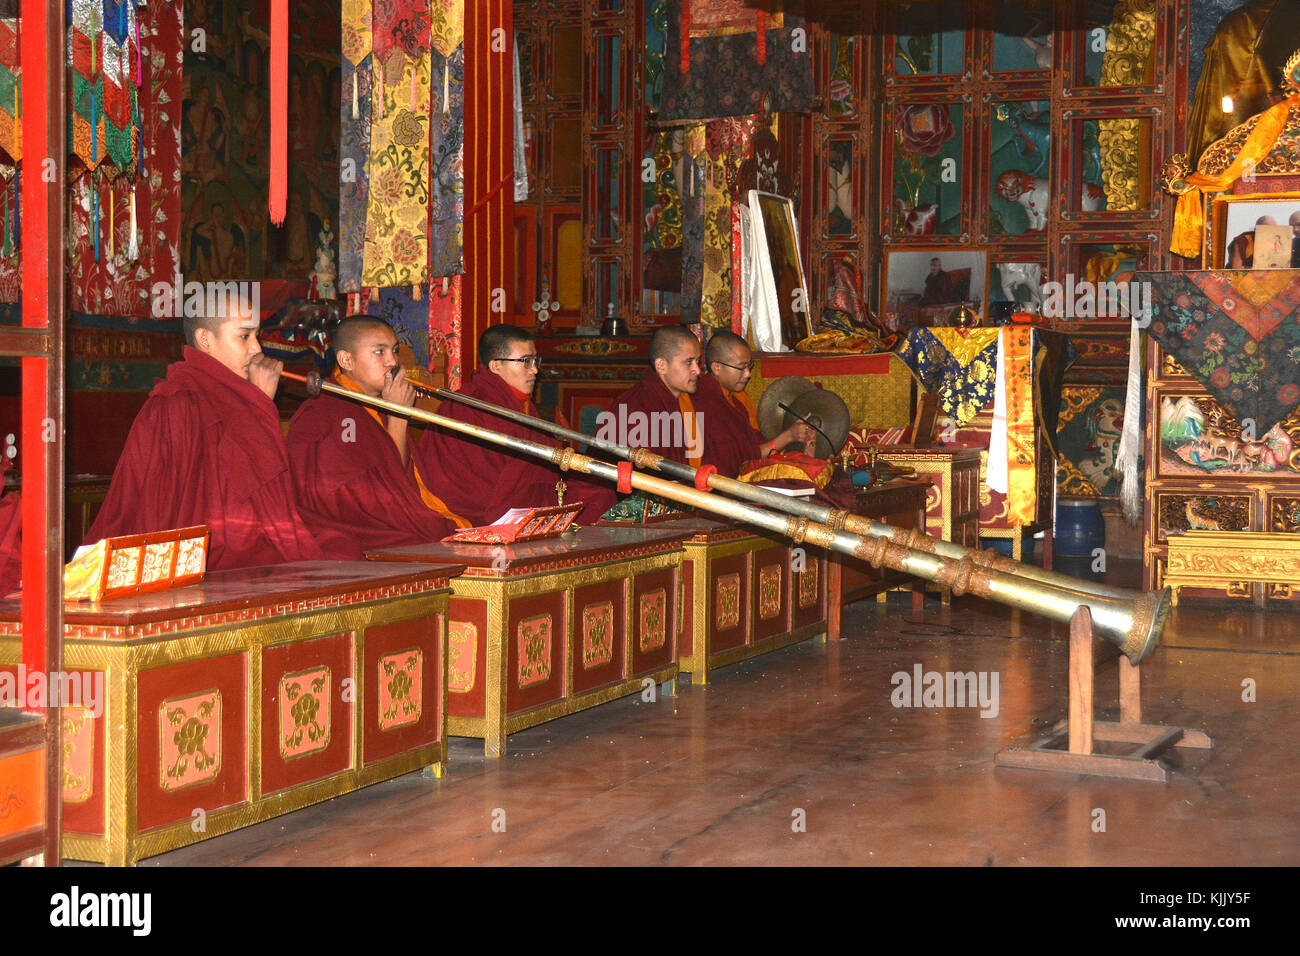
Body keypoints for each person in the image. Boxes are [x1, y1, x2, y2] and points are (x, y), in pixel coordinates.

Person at [85, 303, 323, 571]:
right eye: (244, 336)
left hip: (241, 549)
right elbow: (177, 507)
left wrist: (258, 403)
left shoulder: (232, 395)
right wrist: (258, 404)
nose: (257, 349)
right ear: (205, 340)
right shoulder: (177, 402)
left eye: (257, 336)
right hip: (199, 558)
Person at [286, 316, 466, 559]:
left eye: (394, 351)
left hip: (391, 521)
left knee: (445, 533)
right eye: (379, 352)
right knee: (425, 542)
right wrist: (399, 416)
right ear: (346, 360)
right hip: (359, 529)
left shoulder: (377, 407)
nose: (392, 361)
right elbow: (353, 499)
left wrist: (395, 414)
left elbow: (396, 481)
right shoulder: (327, 411)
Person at [414, 325, 616, 527]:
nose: (535, 370)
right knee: (595, 499)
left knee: (600, 493)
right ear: (495, 366)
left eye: (536, 361)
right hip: (481, 506)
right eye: (526, 362)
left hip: (521, 492)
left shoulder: (519, 403)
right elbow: (495, 482)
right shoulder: (471, 406)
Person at [695, 330, 816, 477]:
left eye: (749, 366)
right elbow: (735, 461)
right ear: (717, 368)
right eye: (741, 367)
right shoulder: (704, 402)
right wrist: (787, 436)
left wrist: (803, 452)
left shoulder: (737, 399)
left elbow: (753, 445)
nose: (748, 374)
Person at [602, 326, 703, 466]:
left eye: (698, 362)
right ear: (661, 366)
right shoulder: (635, 409)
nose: (697, 370)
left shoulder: (679, 400)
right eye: (688, 362)